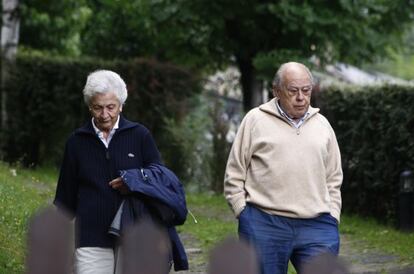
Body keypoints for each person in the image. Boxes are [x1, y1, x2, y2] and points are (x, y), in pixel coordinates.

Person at [224, 62, 343, 274]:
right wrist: (242, 210)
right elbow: (235, 172)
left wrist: (333, 213)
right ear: (276, 91)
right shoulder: (255, 120)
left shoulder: (323, 125)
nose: (301, 97)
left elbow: (334, 176)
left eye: (306, 91)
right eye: (293, 91)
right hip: (264, 222)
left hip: (317, 225)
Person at [54, 70, 168, 274]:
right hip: (90, 236)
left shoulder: (140, 136)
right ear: (90, 106)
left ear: (121, 105)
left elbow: (160, 177)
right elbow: (65, 198)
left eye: (110, 107)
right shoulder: (76, 142)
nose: (104, 114)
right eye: (98, 108)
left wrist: (133, 181)